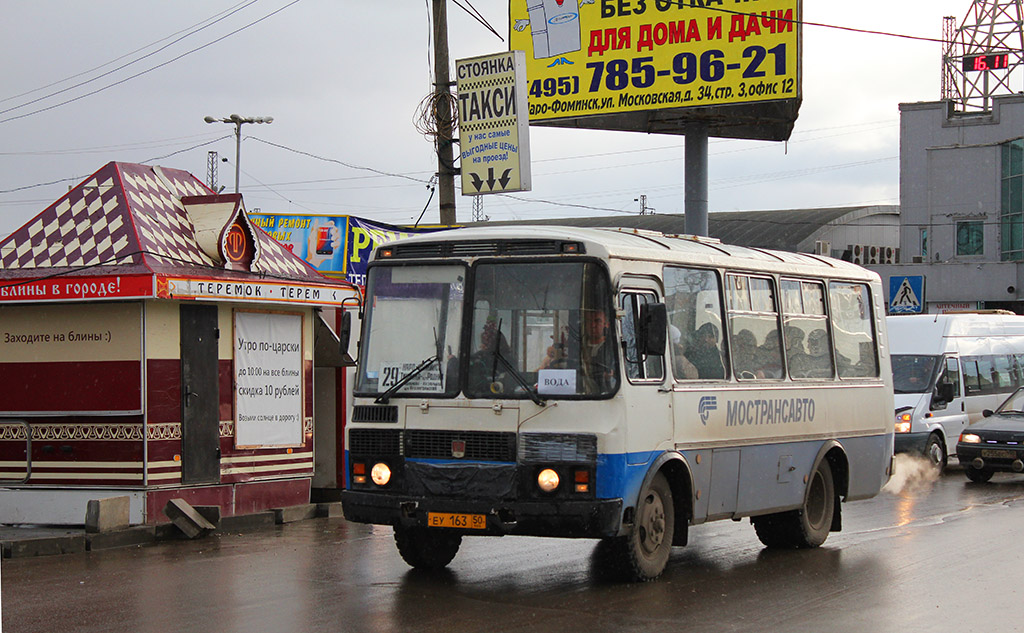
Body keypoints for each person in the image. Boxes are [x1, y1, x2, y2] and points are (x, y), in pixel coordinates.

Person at [581, 308, 617, 392]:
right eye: (589, 321)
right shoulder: (576, 348)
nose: (593, 325)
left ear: (606, 324)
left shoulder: (614, 350)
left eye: (597, 321)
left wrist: (610, 377)